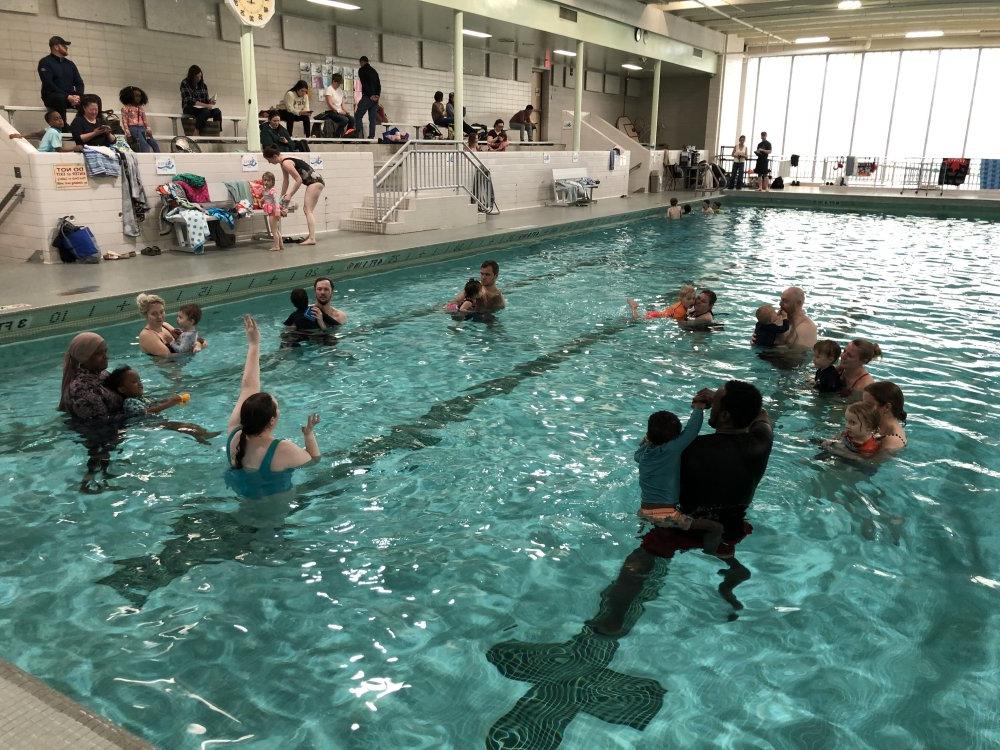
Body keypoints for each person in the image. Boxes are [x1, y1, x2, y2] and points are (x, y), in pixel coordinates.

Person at [589, 382, 773, 634]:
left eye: (715, 404)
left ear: (725, 415)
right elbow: (761, 415)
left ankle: (613, 620)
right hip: (731, 527)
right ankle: (734, 573)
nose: (710, 406)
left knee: (636, 565)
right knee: (721, 545)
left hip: (681, 526)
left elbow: (654, 456)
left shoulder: (690, 450)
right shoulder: (763, 442)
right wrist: (724, 402)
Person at [225, 315, 321, 500]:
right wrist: (309, 435)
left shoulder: (234, 434)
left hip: (244, 500)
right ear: (272, 420)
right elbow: (314, 461)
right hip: (275, 510)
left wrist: (253, 345)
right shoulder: (283, 449)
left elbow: (248, 387)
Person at [635, 404, 724, 554]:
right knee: (715, 528)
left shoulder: (644, 455)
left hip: (645, 510)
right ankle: (712, 554)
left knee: (659, 541)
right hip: (666, 514)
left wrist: (647, 441)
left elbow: (636, 456)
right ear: (675, 438)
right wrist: (698, 408)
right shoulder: (671, 449)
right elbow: (691, 431)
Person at [263, 145, 325, 245]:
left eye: (269, 160)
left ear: (274, 156)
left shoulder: (286, 163)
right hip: (315, 181)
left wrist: (290, 194)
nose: (269, 162)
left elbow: (299, 180)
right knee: (308, 210)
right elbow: (286, 181)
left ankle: (312, 238)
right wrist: (281, 198)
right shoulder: (284, 161)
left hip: (314, 182)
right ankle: (311, 236)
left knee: (307, 210)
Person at [58, 332, 120, 421]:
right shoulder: (81, 388)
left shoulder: (101, 374)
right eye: (99, 354)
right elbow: (100, 422)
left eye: (105, 351)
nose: (106, 357)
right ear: (83, 357)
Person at [37, 35, 83, 127]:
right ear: (56, 47)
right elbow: (48, 83)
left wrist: (77, 96)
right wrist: (67, 96)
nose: (66, 48)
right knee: (60, 98)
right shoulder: (45, 62)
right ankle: (63, 126)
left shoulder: (70, 64)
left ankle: (83, 126)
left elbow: (79, 83)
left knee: (92, 99)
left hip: (70, 97)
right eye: (64, 45)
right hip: (52, 96)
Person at [863, 381, 907, 454]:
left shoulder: (892, 441)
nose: (862, 408)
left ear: (887, 407)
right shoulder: (876, 425)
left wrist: (838, 450)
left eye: (868, 405)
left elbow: (869, 464)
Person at [9, 110, 80, 152]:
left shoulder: (50, 129)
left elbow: (37, 134)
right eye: (56, 119)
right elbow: (59, 150)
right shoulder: (53, 132)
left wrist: (21, 136)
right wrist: (74, 148)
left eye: (60, 118)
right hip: (43, 156)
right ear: (50, 123)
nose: (60, 120)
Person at [180, 65, 221, 135]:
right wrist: (206, 105)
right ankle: (196, 131)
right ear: (192, 76)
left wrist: (210, 101)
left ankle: (217, 134)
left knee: (217, 111)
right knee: (205, 111)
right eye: (197, 77)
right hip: (189, 107)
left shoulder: (203, 85)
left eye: (200, 76)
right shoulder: (185, 83)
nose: (199, 78)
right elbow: (190, 101)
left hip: (202, 108)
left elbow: (205, 100)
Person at [119, 85, 159, 153]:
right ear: (130, 96)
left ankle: (159, 159)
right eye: (136, 96)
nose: (138, 98)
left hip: (142, 128)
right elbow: (125, 122)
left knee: (154, 143)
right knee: (144, 146)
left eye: (140, 96)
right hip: (133, 128)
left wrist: (148, 129)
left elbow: (145, 120)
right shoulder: (125, 108)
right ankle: (146, 160)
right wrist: (128, 134)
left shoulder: (140, 108)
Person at [627, 284, 694, 322]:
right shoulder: (679, 310)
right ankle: (633, 308)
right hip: (655, 316)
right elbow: (679, 322)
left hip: (657, 313)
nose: (692, 301)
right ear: (681, 299)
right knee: (637, 320)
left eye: (694, 298)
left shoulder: (684, 305)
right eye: (689, 299)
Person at [354, 55, 381, 139]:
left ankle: (359, 136)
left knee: (358, 115)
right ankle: (371, 137)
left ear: (362, 62)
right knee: (372, 119)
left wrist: (370, 95)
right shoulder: (374, 71)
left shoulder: (362, 70)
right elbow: (378, 85)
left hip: (368, 97)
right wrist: (377, 95)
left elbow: (364, 84)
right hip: (375, 99)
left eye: (360, 63)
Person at [260, 171, 286, 251]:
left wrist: (277, 210)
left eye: (268, 180)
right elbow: (266, 197)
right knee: (276, 230)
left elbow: (276, 200)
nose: (266, 182)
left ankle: (276, 246)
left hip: (273, 211)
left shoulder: (272, 190)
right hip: (271, 211)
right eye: (265, 180)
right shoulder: (266, 190)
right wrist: (262, 200)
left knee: (273, 230)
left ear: (272, 181)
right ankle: (281, 246)